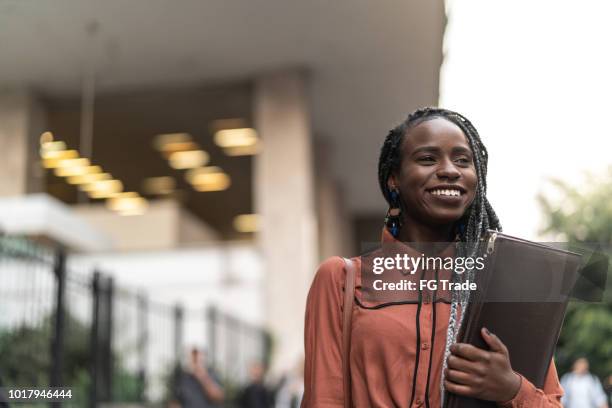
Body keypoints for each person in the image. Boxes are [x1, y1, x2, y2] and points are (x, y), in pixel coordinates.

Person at [302, 107, 565, 407]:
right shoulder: (342, 280)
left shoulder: (503, 288)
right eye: (428, 158)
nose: (450, 170)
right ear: (394, 180)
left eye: (463, 161)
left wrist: (512, 390)